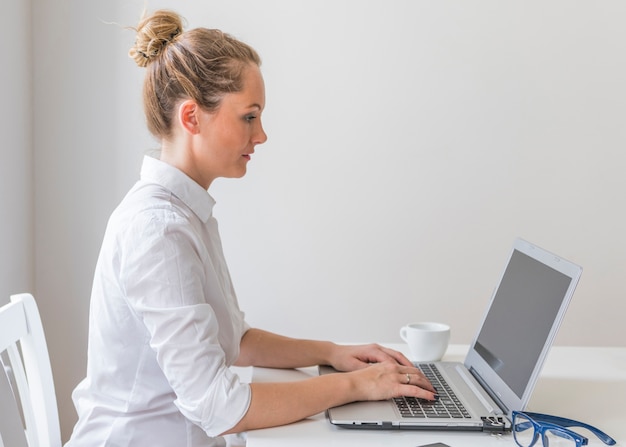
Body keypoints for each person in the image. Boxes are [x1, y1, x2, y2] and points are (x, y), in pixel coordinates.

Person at [66, 9, 436, 447]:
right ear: (191, 118)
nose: (261, 136)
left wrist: (333, 354)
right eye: (249, 117)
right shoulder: (159, 232)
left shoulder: (184, 213)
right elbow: (218, 408)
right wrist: (357, 386)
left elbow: (235, 341)